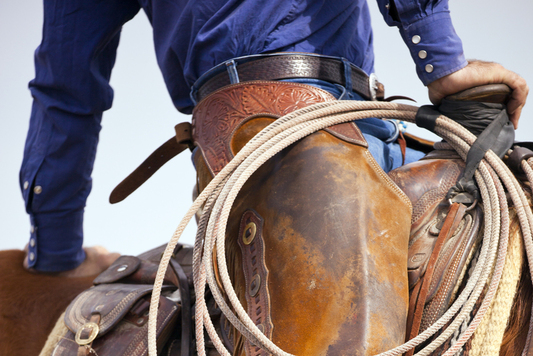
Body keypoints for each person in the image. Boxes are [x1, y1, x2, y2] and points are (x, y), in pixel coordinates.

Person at [20, 0, 528, 278]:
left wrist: (58, 251)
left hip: (242, 149)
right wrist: (442, 62)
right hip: (301, 141)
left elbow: (66, 91)